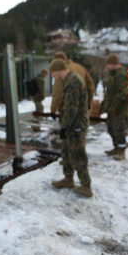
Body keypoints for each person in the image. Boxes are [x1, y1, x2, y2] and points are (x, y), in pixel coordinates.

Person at [49, 60, 92, 198]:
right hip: (71, 126)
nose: (53, 76)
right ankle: (68, 179)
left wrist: (65, 126)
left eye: (53, 73)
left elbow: (71, 108)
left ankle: (86, 186)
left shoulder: (73, 82)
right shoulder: (68, 80)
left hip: (76, 126)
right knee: (66, 152)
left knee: (77, 155)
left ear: (59, 69)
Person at [100, 53, 128, 160]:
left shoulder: (121, 75)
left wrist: (114, 106)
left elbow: (123, 93)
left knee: (119, 130)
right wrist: (104, 105)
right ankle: (116, 147)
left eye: (108, 64)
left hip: (119, 110)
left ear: (113, 64)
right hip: (112, 109)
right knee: (111, 129)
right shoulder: (114, 75)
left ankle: (122, 151)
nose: (107, 67)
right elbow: (110, 93)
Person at [50, 51, 95, 116]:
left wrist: (53, 110)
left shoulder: (61, 71)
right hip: (82, 108)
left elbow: (58, 92)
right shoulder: (80, 67)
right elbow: (90, 85)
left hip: (68, 108)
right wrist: (88, 102)